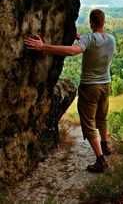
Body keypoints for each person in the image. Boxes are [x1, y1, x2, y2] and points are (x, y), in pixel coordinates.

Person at [24, 9, 116, 173]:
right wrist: (82, 41)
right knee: (102, 117)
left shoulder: (89, 38)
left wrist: (43, 46)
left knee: (88, 124)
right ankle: (105, 145)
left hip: (90, 87)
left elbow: (73, 51)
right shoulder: (111, 39)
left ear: (91, 23)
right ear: (104, 22)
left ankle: (100, 160)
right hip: (106, 84)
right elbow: (96, 47)